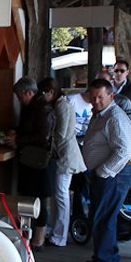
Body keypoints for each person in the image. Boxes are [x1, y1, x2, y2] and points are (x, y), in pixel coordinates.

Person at [79, 78, 131, 262]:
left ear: (111, 96)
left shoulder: (114, 117)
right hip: (105, 174)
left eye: (101, 97)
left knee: (102, 218)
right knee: (105, 218)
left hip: (112, 175)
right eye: (93, 98)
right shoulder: (101, 114)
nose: (96, 101)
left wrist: (102, 172)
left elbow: (123, 151)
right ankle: (110, 258)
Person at [5, 77, 56, 250]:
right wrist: (16, 133)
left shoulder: (42, 109)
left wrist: (18, 139)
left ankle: (39, 239)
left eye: (20, 96)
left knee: (38, 200)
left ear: (29, 92)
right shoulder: (34, 107)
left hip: (39, 162)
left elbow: (42, 136)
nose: (20, 100)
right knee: (30, 198)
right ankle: (30, 235)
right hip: (32, 160)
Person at [40, 77, 86, 248]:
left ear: (51, 92)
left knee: (61, 195)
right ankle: (57, 233)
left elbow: (62, 133)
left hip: (65, 155)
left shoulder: (62, 106)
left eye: (44, 93)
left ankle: (59, 236)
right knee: (59, 194)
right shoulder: (61, 104)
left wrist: (48, 139)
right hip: (62, 155)